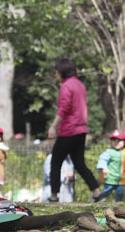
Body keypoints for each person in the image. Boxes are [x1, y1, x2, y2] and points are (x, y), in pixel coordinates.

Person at [47, 58, 102, 203]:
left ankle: (54, 196)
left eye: (56, 72)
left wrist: (53, 126)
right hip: (81, 131)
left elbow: (63, 108)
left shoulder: (66, 86)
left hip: (69, 131)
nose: (56, 75)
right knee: (79, 163)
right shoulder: (79, 85)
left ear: (61, 72)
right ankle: (97, 192)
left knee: (55, 162)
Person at [96, 130, 125, 202]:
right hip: (110, 178)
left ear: (124, 141)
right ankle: (98, 199)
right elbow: (102, 159)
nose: (116, 142)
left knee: (120, 192)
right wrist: (104, 167)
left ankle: (118, 204)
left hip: (121, 178)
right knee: (107, 191)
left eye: (119, 140)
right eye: (114, 140)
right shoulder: (109, 152)